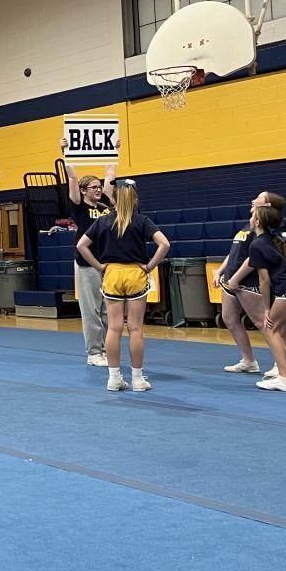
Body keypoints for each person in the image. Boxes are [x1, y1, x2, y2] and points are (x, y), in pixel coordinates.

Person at [76, 179, 171, 393]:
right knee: (135, 328)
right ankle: (137, 378)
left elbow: (81, 245)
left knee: (114, 327)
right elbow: (165, 243)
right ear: (135, 200)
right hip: (136, 273)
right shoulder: (142, 220)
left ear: (113, 200)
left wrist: (99, 266)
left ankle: (114, 378)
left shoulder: (103, 221)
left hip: (112, 274)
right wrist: (149, 266)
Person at [227, 203, 286, 392]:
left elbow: (264, 281)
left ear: (257, 221)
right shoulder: (277, 238)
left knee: (271, 328)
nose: (250, 218)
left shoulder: (257, 244)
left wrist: (266, 308)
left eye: (253, 215)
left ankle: (284, 378)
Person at [61, 137, 118, 367]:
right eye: (94, 187)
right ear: (84, 191)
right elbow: (72, 178)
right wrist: (65, 152)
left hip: (107, 263)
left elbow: (111, 174)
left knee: (108, 309)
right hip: (88, 263)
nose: (98, 189)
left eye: (99, 186)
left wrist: (114, 151)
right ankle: (94, 352)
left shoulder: (104, 204)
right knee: (91, 310)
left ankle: (106, 348)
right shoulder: (79, 205)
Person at [217, 192, 285, 375]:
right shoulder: (248, 225)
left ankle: (281, 365)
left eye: (259, 198)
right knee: (229, 319)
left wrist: (236, 278)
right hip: (231, 281)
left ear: (267, 205)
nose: (254, 200)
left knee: (262, 323)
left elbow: (253, 257)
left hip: (247, 281)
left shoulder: (262, 228)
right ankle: (248, 361)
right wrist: (221, 271)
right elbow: (234, 251)